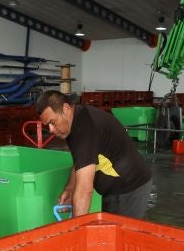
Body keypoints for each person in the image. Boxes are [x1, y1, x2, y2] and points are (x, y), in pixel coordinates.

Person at [35, 90, 152, 219]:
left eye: (52, 122)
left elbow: (84, 191)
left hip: (130, 189)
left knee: (120, 236)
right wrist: (70, 188)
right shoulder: (74, 123)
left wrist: (76, 230)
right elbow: (81, 159)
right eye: (47, 126)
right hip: (113, 191)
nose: (51, 130)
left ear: (66, 108)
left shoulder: (85, 127)